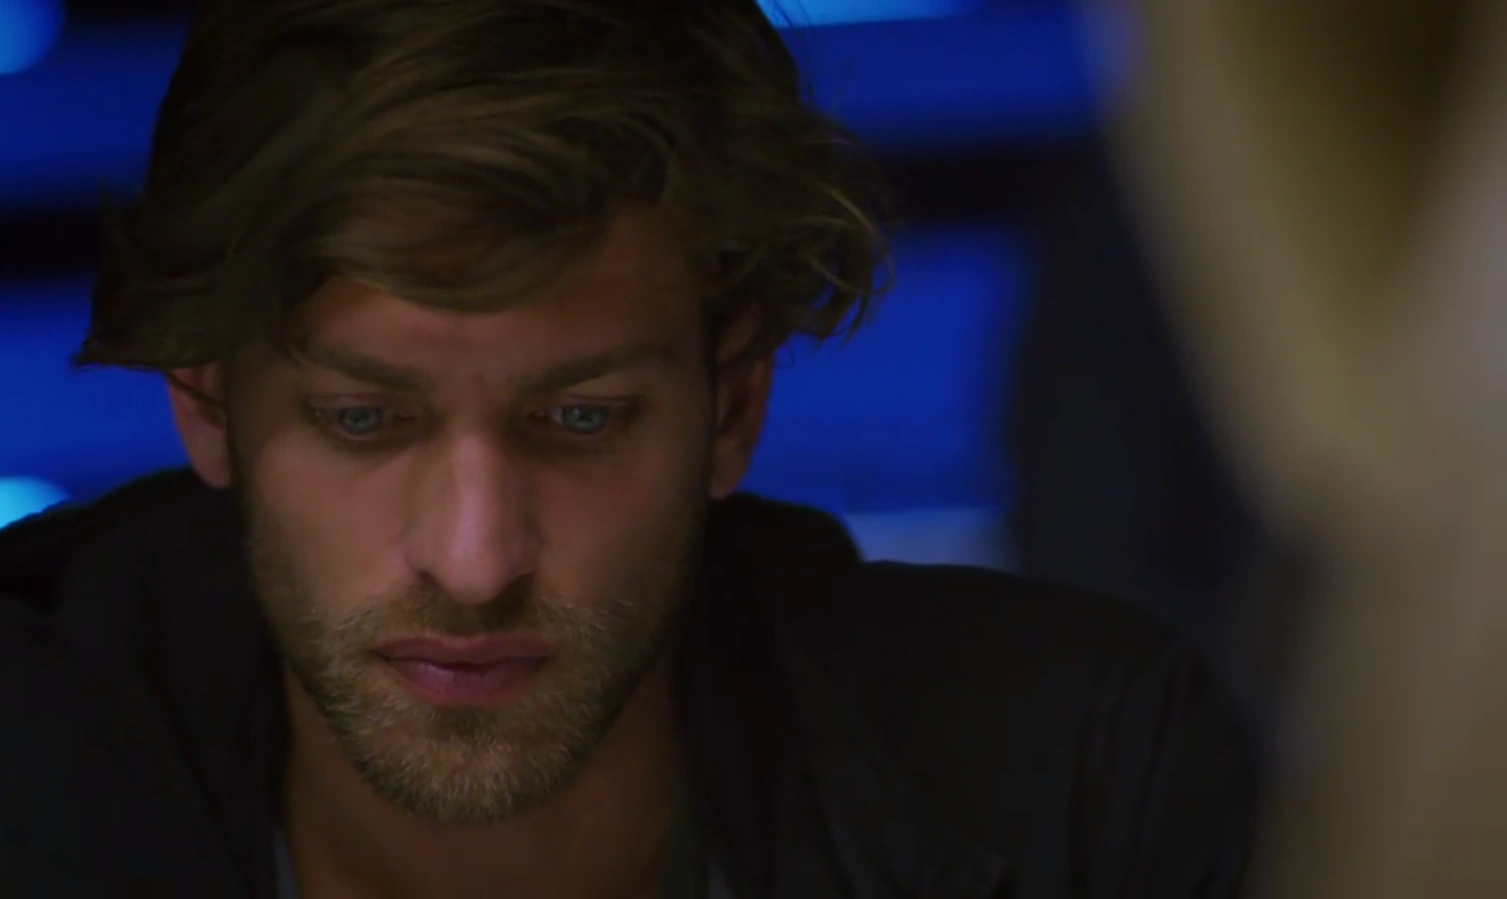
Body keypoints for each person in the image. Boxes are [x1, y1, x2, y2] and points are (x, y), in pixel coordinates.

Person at [0, 2, 1259, 896]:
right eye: (363, 419)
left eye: (584, 418)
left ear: (733, 408)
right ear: (207, 403)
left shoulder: (1091, 788)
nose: (475, 558)